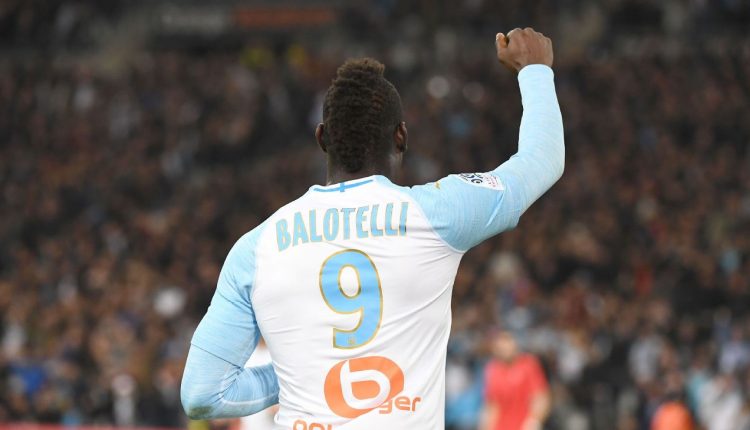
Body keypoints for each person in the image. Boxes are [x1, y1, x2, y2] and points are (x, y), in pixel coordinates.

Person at [180, 27, 564, 429]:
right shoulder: (437, 214)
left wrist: (300, 372)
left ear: (322, 138)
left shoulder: (256, 248)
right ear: (401, 136)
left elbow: (202, 394)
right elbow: (541, 161)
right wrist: (535, 70)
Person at [480, 330, 550, 430]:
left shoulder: (528, 364)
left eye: (507, 342)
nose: (505, 348)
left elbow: (540, 397)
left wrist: (534, 421)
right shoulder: (492, 370)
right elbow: (492, 406)